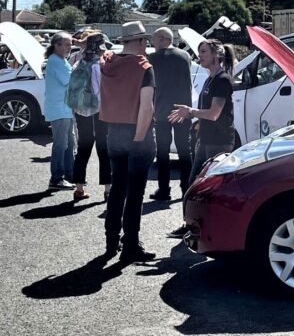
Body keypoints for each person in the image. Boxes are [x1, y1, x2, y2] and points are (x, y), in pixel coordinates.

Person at [167, 39, 238, 239]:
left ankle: (211, 228)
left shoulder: (222, 80)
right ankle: (191, 225)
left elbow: (214, 113)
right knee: (194, 183)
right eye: (199, 52)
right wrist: (196, 121)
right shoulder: (210, 78)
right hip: (206, 139)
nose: (200, 56)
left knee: (211, 187)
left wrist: (190, 112)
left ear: (216, 54)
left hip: (219, 140)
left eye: (204, 51)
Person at [100, 21, 157, 262]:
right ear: (136, 41)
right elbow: (146, 107)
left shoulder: (108, 63)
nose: (146, 44)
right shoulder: (144, 67)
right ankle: (130, 245)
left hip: (113, 132)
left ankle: (111, 240)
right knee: (135, 194)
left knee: (117, 190)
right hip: (137, 133)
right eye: (143, 40)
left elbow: (106, 56)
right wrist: (140, 138)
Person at [147, 27, 193, 201]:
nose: (153, 43)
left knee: (163, 152)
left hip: (162, 110)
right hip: (182, 109)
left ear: (162, 39)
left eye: (154, 40)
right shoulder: (185, 56)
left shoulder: (153, 58)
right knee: (184, 151)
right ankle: (186, 188)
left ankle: (164, 189)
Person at [68, 30, 110, 202]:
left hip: (80, 110)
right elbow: (102, 91)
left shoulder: (78, 62)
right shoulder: (99, 65)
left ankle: (79, 188)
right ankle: (108, 189)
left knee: (83, 147)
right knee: (104, 148)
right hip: (100, 111)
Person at [45, 32, 77, 190]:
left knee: (69, 143)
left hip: (65, 108)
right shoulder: (55, 60)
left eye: (70, 44)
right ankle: (56, 178)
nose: (69, 47)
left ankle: (69, 174)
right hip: (59, 108)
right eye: (66, 44)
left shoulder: (61, 60)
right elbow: (69, 81)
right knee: (61, 143)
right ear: (56, 45)